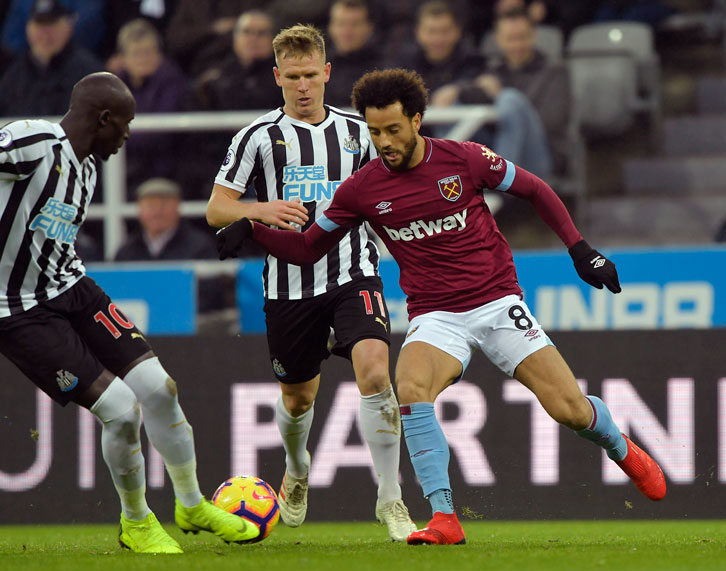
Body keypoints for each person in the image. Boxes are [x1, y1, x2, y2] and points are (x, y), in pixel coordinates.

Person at [215, 68, 668, 545]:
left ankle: (620, 447)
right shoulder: (361, 188)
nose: (383, 142)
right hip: (435, 315)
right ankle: (444, 518)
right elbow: (308, 248)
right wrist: (252, 228)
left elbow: (535, 189)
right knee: (409, 387)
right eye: (373, 132)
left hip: (496, 302)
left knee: (570, 411)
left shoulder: (465, 159)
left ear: (416, 120)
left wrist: (580, 249)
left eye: (393, 129)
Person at [0, 72, 259, 553]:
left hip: (71, 288)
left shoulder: (88, 170)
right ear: (103, 119)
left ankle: (190, 503)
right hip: (15, 311)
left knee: (160, 390)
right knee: (120, 411)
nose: (127, 135)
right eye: (125, 124)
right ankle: (136, 522)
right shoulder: (32, 141)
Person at [206, 24, 417, 542]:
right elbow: (216, 209)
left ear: (327, 73)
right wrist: (260, 209)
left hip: (353, 271)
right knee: (299, 398)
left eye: (311, 76)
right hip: (288, 287)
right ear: (277, 77)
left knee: (375, 372)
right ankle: (296, 469)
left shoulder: (355, 132)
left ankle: (391, 498)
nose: (303, 86)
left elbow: (393, 188)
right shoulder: (257, 137)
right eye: (292, 77)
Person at [114, 177, 225, 313]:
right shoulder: (126, 251)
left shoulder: (199, 247)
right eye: (150, 205)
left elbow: (211, 294)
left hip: (186, 329)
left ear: (177, 207)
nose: (157, 212)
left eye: (164, 204)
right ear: (140, 209)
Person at [115, 18, 189, 196]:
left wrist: (119, 136)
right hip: (125, 166)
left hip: (165, 166)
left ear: (159, 54)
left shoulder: (173, 81)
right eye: (136, 53)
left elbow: (160, 134)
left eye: (148, 52)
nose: (143, 59)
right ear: (123, 59)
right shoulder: (115, 83)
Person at [0, 0, 103, 117]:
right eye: (39, 25)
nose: (45, 35)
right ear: (28, 29)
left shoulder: (89, 73)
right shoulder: (14, 76)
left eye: (52, 25)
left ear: (68, 27)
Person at [193, 9, 282, 111]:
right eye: (246, 32)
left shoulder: (287, 78)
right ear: (235, 38)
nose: (253, 38)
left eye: (261, 33)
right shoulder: (214, 79)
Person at [324, 0, 383, 109]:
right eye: (341, 24)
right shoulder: (316, 67)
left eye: (355, 24)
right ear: (330, 28)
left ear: (369, 28)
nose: (347, 32)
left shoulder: (384, 70)